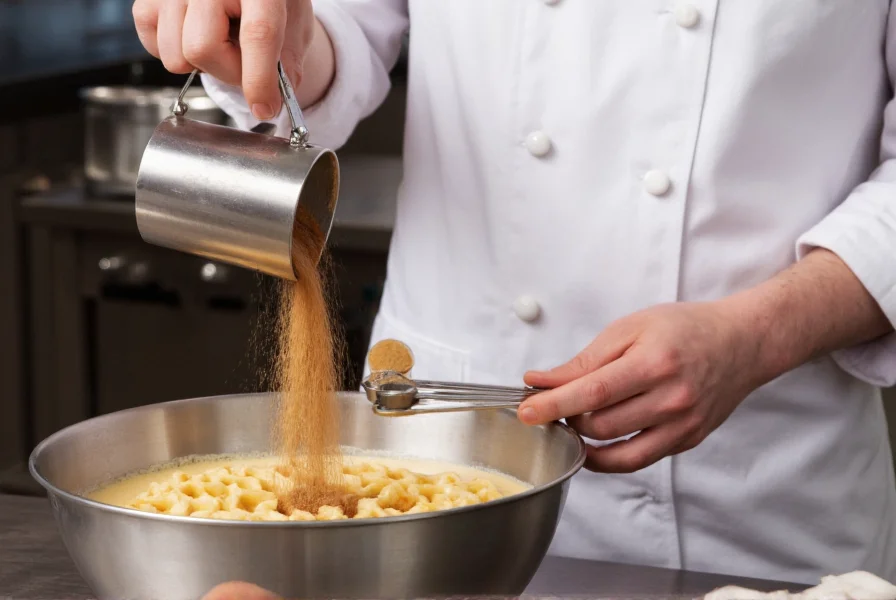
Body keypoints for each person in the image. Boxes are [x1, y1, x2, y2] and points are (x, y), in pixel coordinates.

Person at [133, 0, 896, 586]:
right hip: (426, 480)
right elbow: (335, 39)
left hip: (756, 489)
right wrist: (252, 38)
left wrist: (758, 335)